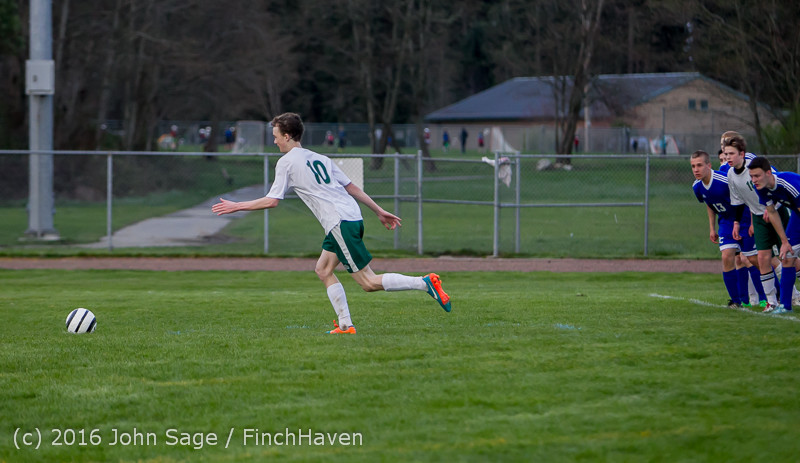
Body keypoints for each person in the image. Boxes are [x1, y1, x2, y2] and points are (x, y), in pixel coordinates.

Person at [211, 113, 452, 334]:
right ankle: (346, 325)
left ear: (287, 136)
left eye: (275, 136)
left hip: (339, 223)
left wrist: (237, 205)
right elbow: (352, 187)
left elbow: (272, 201)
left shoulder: (286, 162)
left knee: (368, 282)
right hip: (351, 218)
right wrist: (378, 211)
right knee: (323, 270)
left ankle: (424, 283)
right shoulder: (320, 158)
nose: (274, 141)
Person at [691, 150, 765, 308]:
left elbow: (748, 197)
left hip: (744, 218)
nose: (696, 169)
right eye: (693, 166)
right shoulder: (697, 187)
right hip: (725, 222)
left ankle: (773, 293)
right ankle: (736, 301)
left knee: (752, 259)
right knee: (727, 257)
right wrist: (712, 228)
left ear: (709, 166)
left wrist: (752, 222)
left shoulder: (724, 180)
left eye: (699, 165)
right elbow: (710, 204)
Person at [724, 134, 787, 311]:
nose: (727, 157)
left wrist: (772, 207)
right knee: (762, 258)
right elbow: (737, 201)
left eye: (731, 153)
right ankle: (772, 302)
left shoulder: (753, 164)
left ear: (742, 154)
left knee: (789, 256)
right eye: (725, 154)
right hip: (758, 217)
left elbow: (774, 183)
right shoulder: (730, 174)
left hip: (775, 212)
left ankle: (793, 295)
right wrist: (736, 223)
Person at [748, 156, 800, 314]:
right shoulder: (761, 187)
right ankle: (785, 306)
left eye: (757, 176)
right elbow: (771, 212)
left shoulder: (788, 184)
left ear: (769, 173)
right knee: (787, 256)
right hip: (797, 215)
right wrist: (784, 241)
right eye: (751, 176)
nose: (754, 180)